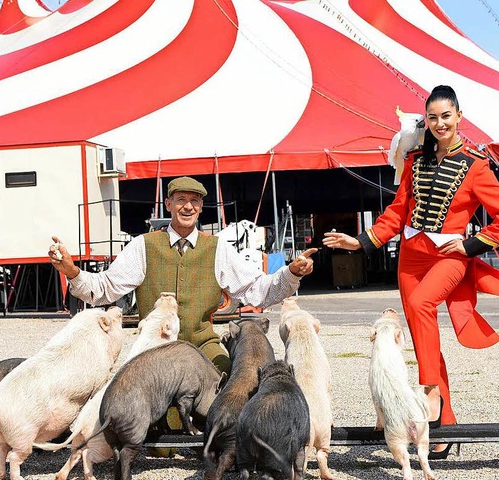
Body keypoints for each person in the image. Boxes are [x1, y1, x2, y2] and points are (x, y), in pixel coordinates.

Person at [323, 85, 499, 459]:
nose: (440, 123)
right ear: (426, 120)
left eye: (446, 116)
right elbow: (397, 212)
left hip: (449, 256)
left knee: (421, 305)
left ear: (459, 116)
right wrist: (360, 241)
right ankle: (443, 426)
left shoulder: (475, 166)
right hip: (411, 259)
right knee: (423, 343)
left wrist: (470, 245)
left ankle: (429, 392)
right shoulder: (415, 160)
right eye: (432, 117)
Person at [49, 176, 316, 375]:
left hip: (204, 345)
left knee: (230, 391)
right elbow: (104, 288)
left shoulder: (217, 249)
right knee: (143, 415)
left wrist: (291, 272)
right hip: (155, 347)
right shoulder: (144, 245)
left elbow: (259, 290)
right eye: (181, 200)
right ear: (169, 204)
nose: (187, 207)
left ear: (201, 207)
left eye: (194, 201)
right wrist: (72, 272)